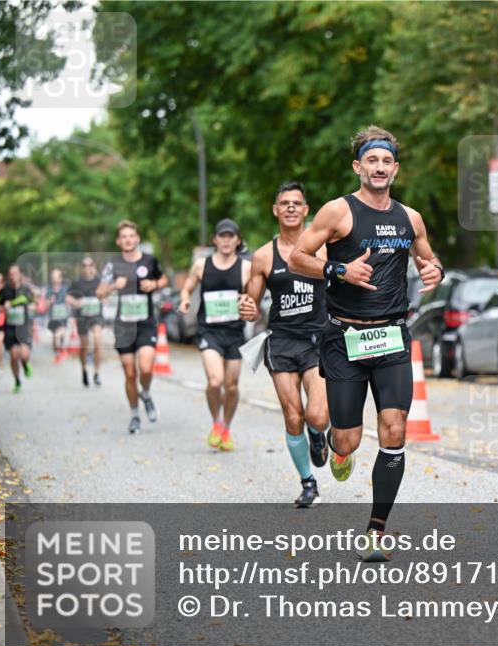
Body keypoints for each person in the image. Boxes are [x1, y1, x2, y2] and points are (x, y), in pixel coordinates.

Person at [288, 126, 443, 561]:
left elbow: (429, 258)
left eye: (386, 161)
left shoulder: (409, 218)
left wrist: (436, 272)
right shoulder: (338, 212)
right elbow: (298, 257)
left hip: (392, 336)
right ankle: (335, 447)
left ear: (395, 168)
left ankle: (376, 531)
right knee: (349, 440)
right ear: (359, 167)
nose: (379, 168)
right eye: (371, 161)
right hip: (345, 337)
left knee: (394, 430)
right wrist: (339, 272)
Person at [239, 183, 331, 505]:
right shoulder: (263, 256)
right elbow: (251, 305)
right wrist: (248, 308)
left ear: (307, 210)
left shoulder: (325, 249)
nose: (291, 207)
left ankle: (319, 435)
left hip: (318, 339)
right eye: (284, 203)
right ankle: (308, 483)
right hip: (281, 341)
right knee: (293, 417)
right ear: (275, 210)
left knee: (317, 416)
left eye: (297, 203)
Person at [180, 219, 251, 452]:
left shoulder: (245, 267)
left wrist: (248, 301)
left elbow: (253, 297)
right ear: (215, 239)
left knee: (231, 386)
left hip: (234, 333)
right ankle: (216, 422)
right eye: (222, 235)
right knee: (215, 381)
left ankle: (227, 427)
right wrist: (185, 299)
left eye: (231, 236)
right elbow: (187, 286)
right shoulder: (202, 265)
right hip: (209, 331)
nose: (227, 240)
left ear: (238, 240)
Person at [97, 220, 168, 434]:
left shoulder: (149, 260)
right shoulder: (113, 265)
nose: (128, 239)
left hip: (146, 323)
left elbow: (164, 279)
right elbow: (99, 292)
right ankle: (135, 414)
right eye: (124, 237)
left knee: (146, 368)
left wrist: (154, 284)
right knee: (129, 374)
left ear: (137, 239)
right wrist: (112, 287)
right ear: (119, 241)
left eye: (131, 236)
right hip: (124, 326)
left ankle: (145, 393)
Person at [0, 265, 36, 393]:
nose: (13, 276)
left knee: (24, 354)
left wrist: (31, 306)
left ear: (20, 274)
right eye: (11, 274)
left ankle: (25, 365)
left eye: (16, 273)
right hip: (10, 329)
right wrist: (4, 308)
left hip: (23, 327)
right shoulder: (4, 290)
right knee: (14, 355)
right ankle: (17, 381)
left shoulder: (26, 289)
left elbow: (34, 303)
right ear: (8, 276)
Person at [66, 256, 105, 387]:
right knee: (84, 346)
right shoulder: (77, 283)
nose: (87, 268)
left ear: (94, 267)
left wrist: (104, 298)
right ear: (81, 268)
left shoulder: (99, 282)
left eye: (90, 265)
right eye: (84, 265)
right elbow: (67, 297)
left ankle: (97, 373)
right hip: (82, 317)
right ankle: (84, 370)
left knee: (98, 340)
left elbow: (107, 294)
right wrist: (76, 302)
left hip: (96, 316)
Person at [45, 268, 70, 362]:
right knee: (55, 338)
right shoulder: (49, 290)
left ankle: (61, 347)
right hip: (53, 319)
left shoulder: (65, 288)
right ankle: (57, 351)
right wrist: (49, 301)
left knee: (59, 334)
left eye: (56, 277)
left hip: (63, 318)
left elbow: (69, 300)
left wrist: (69, 302)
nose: (55, 279)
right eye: (53, 277)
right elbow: (45, 305)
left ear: (60, 278)